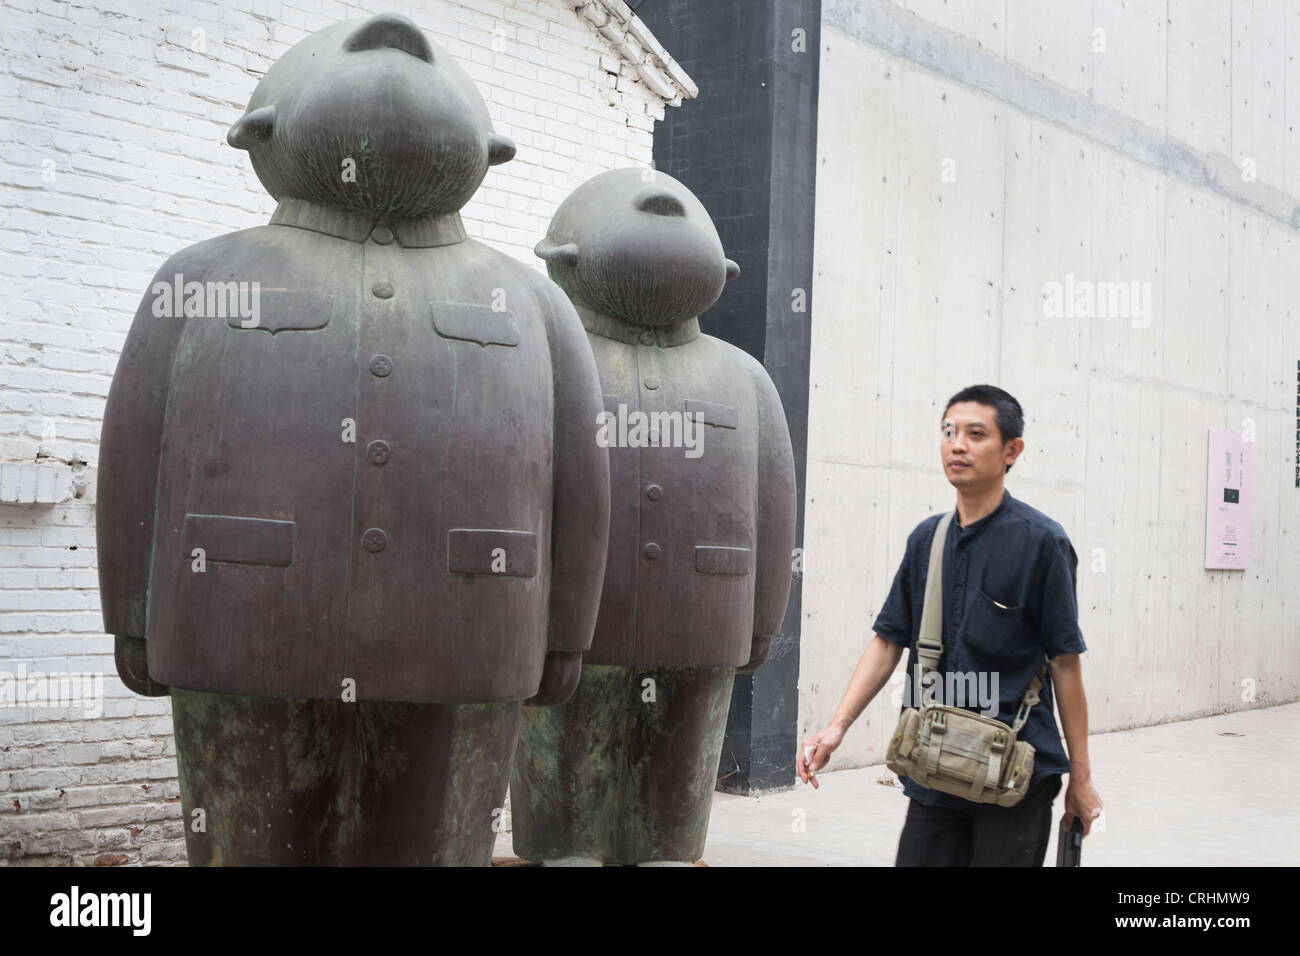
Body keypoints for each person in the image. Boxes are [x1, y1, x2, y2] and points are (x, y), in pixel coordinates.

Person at [798, 384, 1103, 866]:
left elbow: (1066, 664)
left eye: (976, 433)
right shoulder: (927, 540)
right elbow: (888, 640)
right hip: (933, 768)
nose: (957, 444)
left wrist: (1081, 779)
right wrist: (837, 728)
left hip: (1014, 777)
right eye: (949, 432)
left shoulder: (1043, 544)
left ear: (1011, 451)